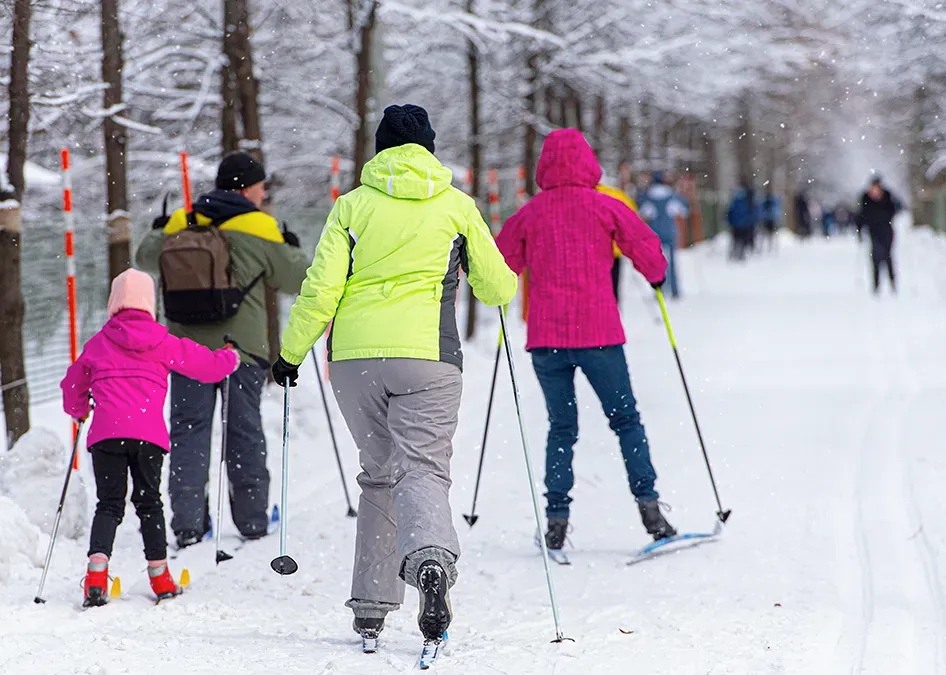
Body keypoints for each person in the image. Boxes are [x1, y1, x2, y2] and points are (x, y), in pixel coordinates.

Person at [271, 104, 518, 646]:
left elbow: (320, 289)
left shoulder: (351, 207)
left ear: (380, 148)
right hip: (429, 357)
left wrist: (291, 354)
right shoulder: (458, 206)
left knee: (379, 471)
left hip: (355, 360)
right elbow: (499, 288)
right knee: (424, 470)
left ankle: (371, 606)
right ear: (429, 147)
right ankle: (430, 560)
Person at [496, 128, 677, 557]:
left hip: (547, 339)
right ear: (588, 162)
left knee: (562, 428)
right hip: (599, 336)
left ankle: (556, 521)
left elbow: (499, 266)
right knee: (626, 421)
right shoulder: (605, 206)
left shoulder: (529, 214)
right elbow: (647, 248)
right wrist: (655, 275)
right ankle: (650, 510)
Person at [135, 152, 309, 548]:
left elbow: (144, 258)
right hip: (240, 352)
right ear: (247, 188)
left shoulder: (184, 221)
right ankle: (252, 521)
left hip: (184, 350)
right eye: (262, 187)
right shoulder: (260, 228)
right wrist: (291, 246)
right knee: (244, 433)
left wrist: (158, 228)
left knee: (188, 434)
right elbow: (298, 277)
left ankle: (188, 525)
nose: (264, 194)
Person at [61, 269, 240, 606]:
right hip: (148, 438)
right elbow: (206, 366)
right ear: (150, 302)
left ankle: (96, 576)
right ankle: (160, 579)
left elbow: (73, 382)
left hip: (106, 436)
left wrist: (79, 408)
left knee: (109, 505)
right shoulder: (162, 341)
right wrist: (229, 357)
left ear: (114, 302)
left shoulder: (99, 342)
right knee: (149, 504)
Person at [636, 170, 689, 298]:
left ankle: (659, 290)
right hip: (670, 232)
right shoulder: (672, 196)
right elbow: (682, 211)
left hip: (655, 234)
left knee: (657, 263)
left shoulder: (648, 197)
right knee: (672, 262)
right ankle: (674, 289)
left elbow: (643, 213)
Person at [856, 176, 902, 294]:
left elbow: (895, 209)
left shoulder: (887, 197)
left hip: (886, 231)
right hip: (873, 232)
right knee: (876, 257)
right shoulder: (865, 198)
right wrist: (860, 231)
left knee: (887, 257)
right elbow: (861, 216)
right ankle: (876, 286)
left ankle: (893, 284)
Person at [727, 182, 758, 261]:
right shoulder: (746, 201)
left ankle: (734, 254)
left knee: (736, 240)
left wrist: (730, 222)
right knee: (742, 240)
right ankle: (740, 255)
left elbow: (730, 213)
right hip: (744, 225)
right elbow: (750, 213)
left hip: (736, 225)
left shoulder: (734, 201)